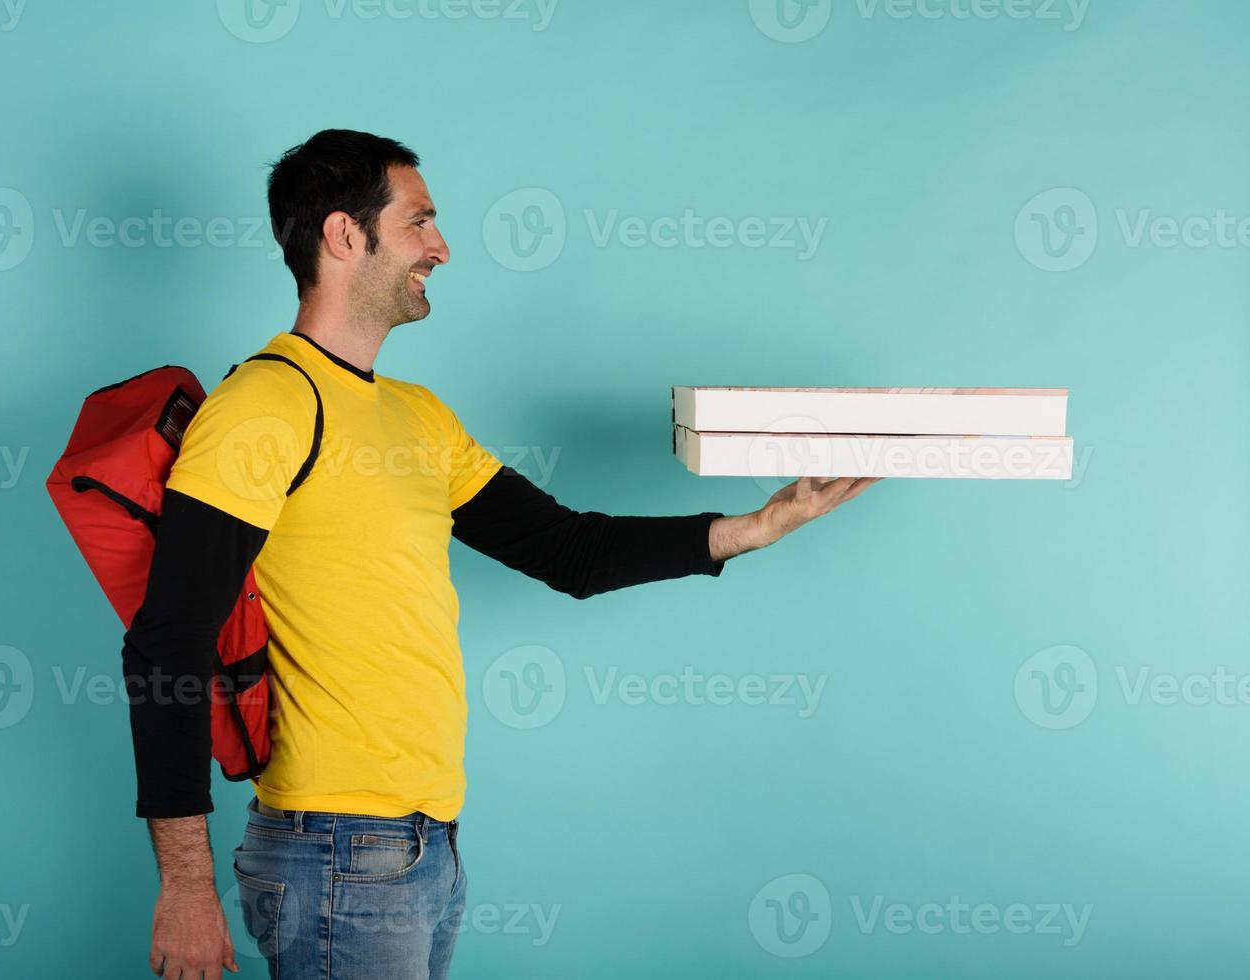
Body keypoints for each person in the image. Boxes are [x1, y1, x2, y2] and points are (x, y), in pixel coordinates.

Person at [120, 128, 879, 980]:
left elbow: (569, 550)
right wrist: (186, 886)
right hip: (335, 849)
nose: (440, 248)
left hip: (423, 850)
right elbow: (167, 643)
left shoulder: (418, 416)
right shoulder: (264, 407)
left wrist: (757, 526)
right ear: (343, 236)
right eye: (419, 222)